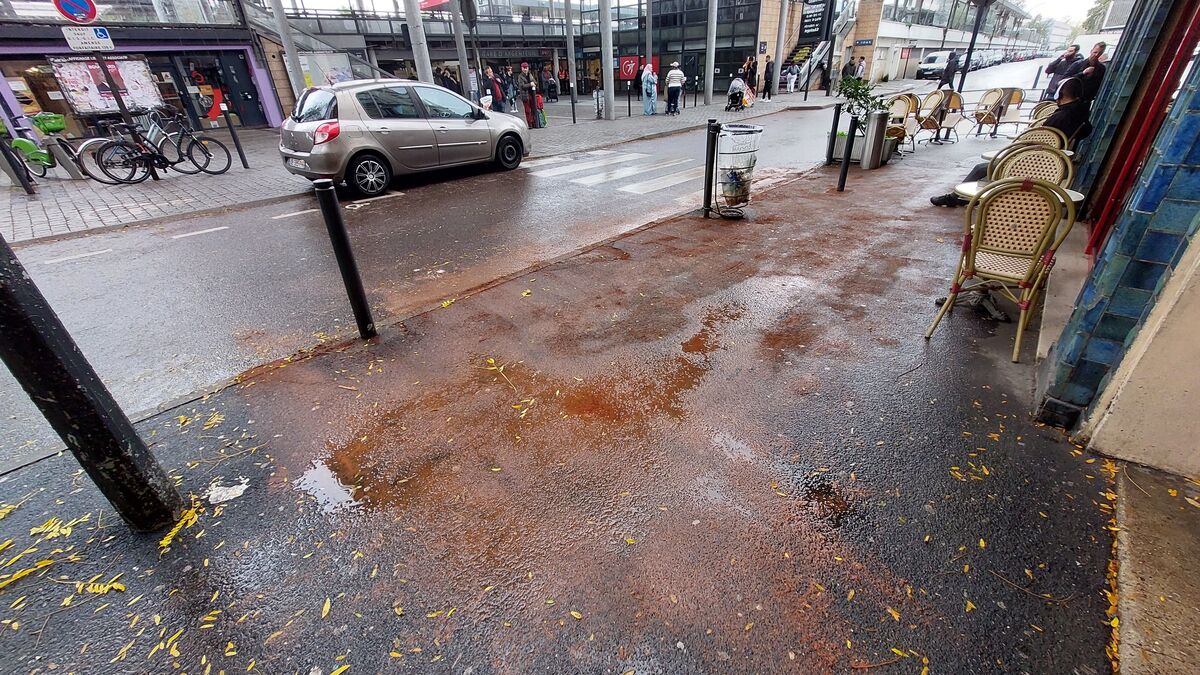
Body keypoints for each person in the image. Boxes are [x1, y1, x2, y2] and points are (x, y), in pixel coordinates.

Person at [930, 78, 1092, 207]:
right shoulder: (1080, 113)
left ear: (1060, 94)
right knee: (987, 167)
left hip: (1035, 161)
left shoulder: (1060, 116)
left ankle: (957, 197)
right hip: (1053, 161)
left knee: (981, 168)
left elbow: (1037, 140)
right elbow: (1085, 132)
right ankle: (968, 197)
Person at [515, 62, 538, 127]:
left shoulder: (530, 74)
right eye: (524, 68)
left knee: (533, 109)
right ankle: (530, 124)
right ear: (521, 68)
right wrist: (530, 84)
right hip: (525, 95)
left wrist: (534, 83)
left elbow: (535, 82)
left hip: (532, 94)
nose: (525, 69)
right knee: (527, 110)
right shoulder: (520, 76)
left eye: (526, 68)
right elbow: (522, 86)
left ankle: (534, 123)